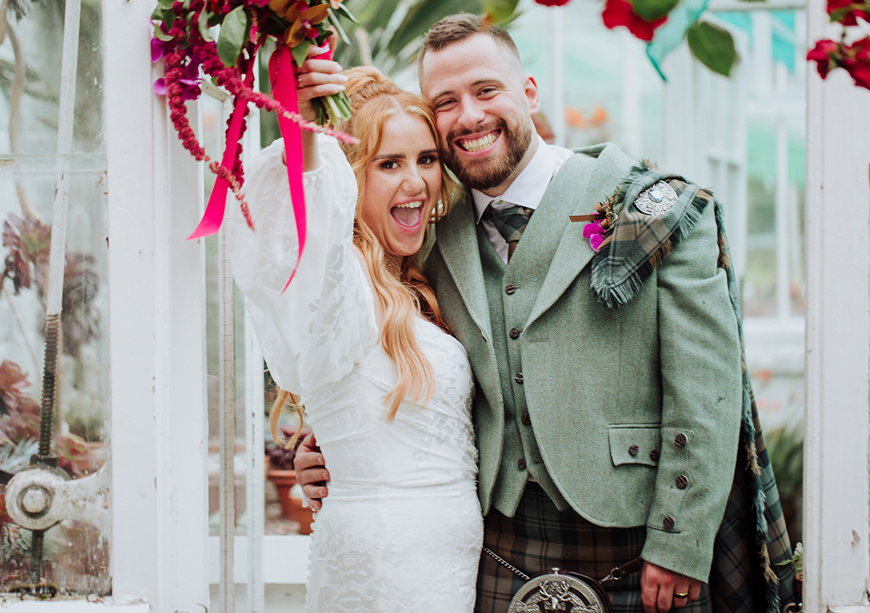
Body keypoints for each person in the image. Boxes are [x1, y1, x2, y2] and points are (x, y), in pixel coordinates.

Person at [296, 13, 795, 613]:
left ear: (528, 92)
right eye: (446, 102)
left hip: (640, 540)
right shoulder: (429, 233)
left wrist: (681, 541)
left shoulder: (648, 209)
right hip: (492, 546)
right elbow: (371, 344)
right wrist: (326, 446)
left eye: (486, 90)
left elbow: (705, 389)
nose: (470, 116)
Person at [230, 60, 483, 612]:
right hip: (385, 563)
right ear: (351, 176)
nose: (415, 182)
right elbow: (305, 221)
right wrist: (304, 134)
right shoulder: (337, 278)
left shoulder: (418, 278)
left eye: (427, 160)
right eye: (389, 163)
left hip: (452, 563)